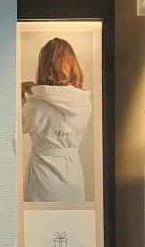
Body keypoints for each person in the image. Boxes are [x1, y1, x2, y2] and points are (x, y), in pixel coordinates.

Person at [21, 37, 93, 203]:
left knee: (40, 220)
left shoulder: (36, 104)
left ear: (44, 67)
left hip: (42, 179)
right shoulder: (84, 103)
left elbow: (18, 126)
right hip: (73, 176)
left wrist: (20, 94)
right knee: (71, 219)